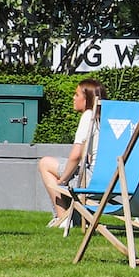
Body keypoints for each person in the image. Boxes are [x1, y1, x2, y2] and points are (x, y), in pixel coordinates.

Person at [38, 79, 103, 227]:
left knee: (45, 163)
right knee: (64, 169)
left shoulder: (89, 115)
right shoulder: (107, 118)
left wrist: (62, 181)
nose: (73, 98)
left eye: (76, 94)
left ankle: (63, 218)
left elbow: (76, 155)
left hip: (92, 180)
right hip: (111, 181)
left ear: (87, 99)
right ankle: (73, 217)